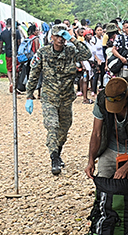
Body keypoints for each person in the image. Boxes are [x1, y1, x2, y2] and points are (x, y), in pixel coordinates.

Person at [85, 77, 128, 230]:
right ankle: (103, 230)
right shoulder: (102, 100)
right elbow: (96, 134)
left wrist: (127, 166)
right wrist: (91, 160)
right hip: (110, 149)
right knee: (102, 186)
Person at [25, 27, 93, 176]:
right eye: (58, 36)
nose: (61, 39)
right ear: (52, 38)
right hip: (49, 97)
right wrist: (29, 95)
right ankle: (54, 158)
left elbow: (87, 54)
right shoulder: (43, 53)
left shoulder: (70, 51)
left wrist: (73, 39)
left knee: (64, 128)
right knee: (52, 126)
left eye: (63, 36)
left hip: (66, 97)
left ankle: (58, 151)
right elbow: (34, 73)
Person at [0, 19, 15, 92]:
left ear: (6, 24)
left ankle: (11, 82)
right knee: (16, 68)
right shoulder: (16, 32)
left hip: (8, 53)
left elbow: (0, 46)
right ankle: (15, 83)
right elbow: (19, 42)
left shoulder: (3, 33)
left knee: (9, 69)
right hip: (16, 53)